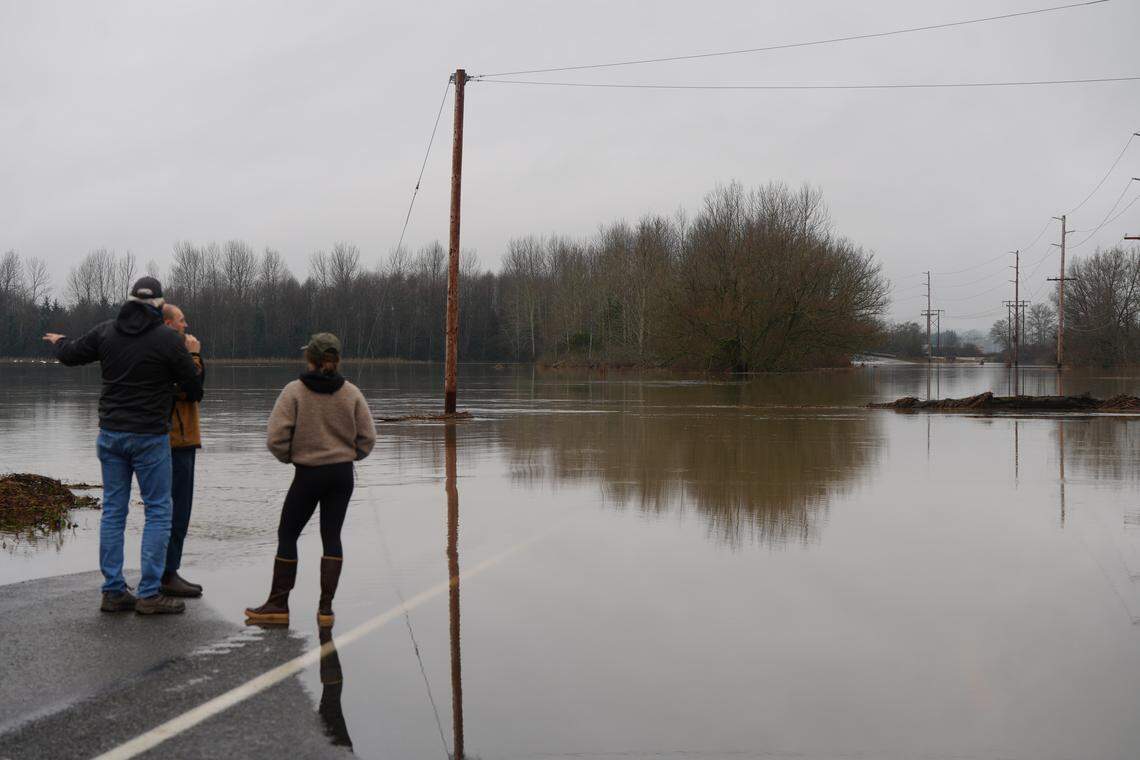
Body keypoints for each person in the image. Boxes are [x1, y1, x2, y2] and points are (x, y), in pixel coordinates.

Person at [44, 277, 203, 615]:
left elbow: (71, 355)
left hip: (111, 434)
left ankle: (114, 590)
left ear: (130, 300)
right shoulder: (167, 339)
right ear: (159, 305)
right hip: (149, 436)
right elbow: (193, 386)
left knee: (114, 512)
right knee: (159, 510)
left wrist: (59, 342)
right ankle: (149, 594)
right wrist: (185, 362)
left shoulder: (107, 331)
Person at [245, 333, 376, 627]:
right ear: (337, 360)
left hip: (308, 474)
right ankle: (325, 610)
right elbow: (368, 438)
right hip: (342, 474)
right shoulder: (352, 392)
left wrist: (291, 457)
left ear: (310, 359)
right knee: (332, 537)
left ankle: (278, 605)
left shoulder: (294, 391)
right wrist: (350, 455)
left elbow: (276, 438)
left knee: (288, 534)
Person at [160, 303, 205, 598]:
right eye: (181, 320)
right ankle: (167, 573)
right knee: (176, 509)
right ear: (167, 323)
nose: (185, 326)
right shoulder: (168, 354)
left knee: (165, 509)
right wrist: (194, 356)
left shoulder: (156, 351)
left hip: (170, 440)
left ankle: (163, 571)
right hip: (175, 441)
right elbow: (193, 390)